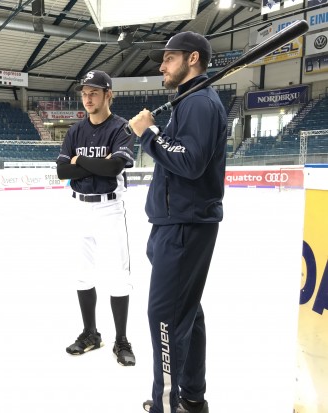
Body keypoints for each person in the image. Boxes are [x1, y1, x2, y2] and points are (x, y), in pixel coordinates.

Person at [128, 32, 227, 413]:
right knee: (186, 313)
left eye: (169, 58)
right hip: (177, 224)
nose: (161, 65)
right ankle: (190, 397)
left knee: (166, 318)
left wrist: (148, 135)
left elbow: (189, 162)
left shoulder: (200, 103)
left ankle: (166, 405)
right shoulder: (187, 102)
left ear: (193, 59)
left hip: (185, 225)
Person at [56, 70, 137, 366]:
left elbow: (114, 167)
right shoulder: (76, 130)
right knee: (82, 273)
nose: (88, 98)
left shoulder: (121, 128)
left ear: (108, 95)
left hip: (109, 208)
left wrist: (80, 161)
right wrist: (95, 164)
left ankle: (122, 340)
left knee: (118, 275)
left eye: (94, 92)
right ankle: (90, 333)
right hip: (79, 207)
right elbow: (63, 172)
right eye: (84, 93)